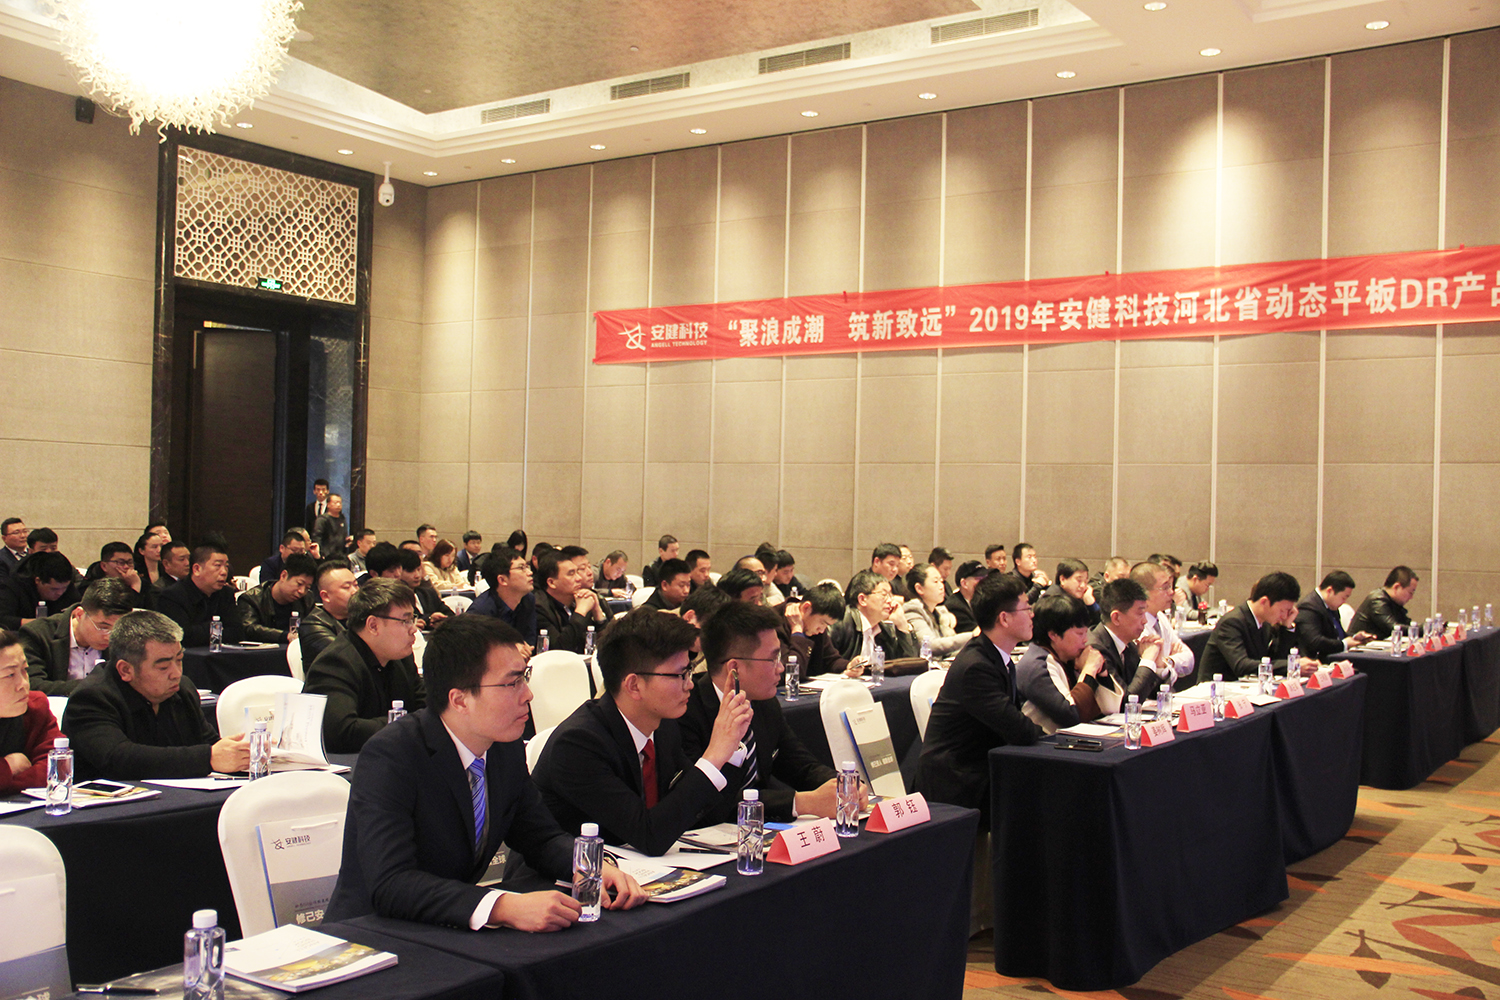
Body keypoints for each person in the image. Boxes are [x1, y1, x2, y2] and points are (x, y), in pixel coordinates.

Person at [323, 615, 646, 928]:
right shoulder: (392, 755)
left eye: (525, 677)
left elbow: (540, 837)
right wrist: (501, 906)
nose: (528, 694)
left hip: (447, 925)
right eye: (512, 683)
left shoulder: (503, 746)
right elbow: (392, 883)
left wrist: (589, 866)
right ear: (459, 699)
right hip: (371, 931)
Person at [532, 608, 754, 855]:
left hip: (635, 864)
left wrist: (729, 750)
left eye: (689, 671)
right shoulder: (578, 744)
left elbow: (701, 815)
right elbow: (649, 836)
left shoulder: (663, 727)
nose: (690, 684)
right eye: (680, 675)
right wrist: (713, 756)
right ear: (634, 685)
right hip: (575, 872)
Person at [681, 600, 847, 823]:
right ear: (734, 668)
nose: (781, 668)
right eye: (773, 659)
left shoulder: (764, 703)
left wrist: (841, 785)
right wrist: (801, 803)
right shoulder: (686, 712)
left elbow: (799, 764)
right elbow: (704, 800)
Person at [62, 610, 250, 780]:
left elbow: (209, 744)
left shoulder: (182, 689)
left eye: (179, 660)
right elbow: (119, 759)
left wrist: (239, 755)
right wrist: (207, 758)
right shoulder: (91, 698)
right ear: (126, 670)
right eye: (163, 666)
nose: (176, 673)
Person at [920, 573, 1043, 822]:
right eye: (1027, 608)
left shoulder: (996, 657)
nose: (1032, 615)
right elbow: (1019, 730)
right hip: (956, 781)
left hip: (977, 768)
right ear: (1004, 618)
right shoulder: (976, 667)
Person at [303, 578, 426, 753]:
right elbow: (340, 732)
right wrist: (406, 723)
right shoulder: (336, 663)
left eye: (413, 619)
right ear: (373, 625)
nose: (414, 629)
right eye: (405, 621)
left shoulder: (400, 657)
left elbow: (426, 706)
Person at [1016, 594, 1113, 733]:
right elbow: (1071, 716)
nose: (1086, 640)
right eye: (1079, 634)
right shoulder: (1036, 665)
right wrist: (1089, 669)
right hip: (1044, 744)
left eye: (1086, 633)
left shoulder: (1069, 658)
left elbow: (1111, 710)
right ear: (1053, 635)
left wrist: (1102, 671)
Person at [21, 579, 135, 696]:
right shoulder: (37, 634)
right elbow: (33, 684)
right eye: (103, 627)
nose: (109, 637)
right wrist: (92, 686)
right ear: (79, 614)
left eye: (116, 629)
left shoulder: (126, 636)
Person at [1198, 571, 1308, 682]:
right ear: (1264, 602)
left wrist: (1286, 627)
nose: (1284, 616)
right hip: (1217, 687)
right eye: (1282, 610)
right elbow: (1241, 665)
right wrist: (1290, 665)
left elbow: (1273, 660)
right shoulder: (1232, 622)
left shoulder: (1265, 622)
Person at [0, 631, 65, 794]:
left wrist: (5, 780)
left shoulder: (36, 706)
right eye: (10, 674)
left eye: (24, 670)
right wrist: (9, 767)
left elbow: (57, 769)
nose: (23, 684)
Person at [157, 540, 242, 647]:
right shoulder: (172, 596)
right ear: (197, 569)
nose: (224, 572)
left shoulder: (226, 593)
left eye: (226, 566)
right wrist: (216, 627)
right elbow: (183, 637)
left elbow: (237, 633)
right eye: (217, 565)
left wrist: (202, 630)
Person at [1086, 577, 1159, 700]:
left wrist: (1158, 664)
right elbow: (1126, 702)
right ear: (1116, 618)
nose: (1145, 621)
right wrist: (1148, 660)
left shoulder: (1128, 645)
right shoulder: (1096, 649)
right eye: (1140, 614)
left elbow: (1154, 694)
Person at [829, 570, 917, 664]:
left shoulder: (885, 630)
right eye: (884, 595)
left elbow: (907, 665)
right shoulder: (840, 623)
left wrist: (902, 626)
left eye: (890, 595)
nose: (890, 601)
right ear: (862, 599)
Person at [780, 582, 859, 678]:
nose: (822, 630)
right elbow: (790, 674)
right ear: (806, 608)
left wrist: (849, 666)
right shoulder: (775, 622)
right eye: (822, 623)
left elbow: (831, 660)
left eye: (827, 625)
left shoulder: (815, 626)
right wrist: (797, 630)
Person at [533, 549, 606, 653]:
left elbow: (611, 647)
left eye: (577, 572)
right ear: (551, 582)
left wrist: (598, 613)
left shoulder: (582, 599)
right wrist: (580, 612)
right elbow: (559, 649)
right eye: (571, 574)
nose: (578, 578)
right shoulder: (538, 607)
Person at [237, 553, 318, 644]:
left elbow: (314, 626)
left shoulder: (307, 599)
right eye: (299, 584)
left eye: (307, 587)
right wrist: (285, 636)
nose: (302, 591)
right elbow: (249, 628)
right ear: (283, 575)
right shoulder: (252, 598)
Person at [368, 543, 451, 629]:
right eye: (392, 571)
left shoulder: (427, 593)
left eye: (419, 569)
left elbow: (450, 614)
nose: (397, 574)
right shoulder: (373, 597)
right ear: (374, 574)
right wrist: (429, 619)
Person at [1296, 570, 1375, 660]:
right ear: (1330, 591)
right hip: (1316, 661)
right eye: (1343, 597)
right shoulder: (1308, 607)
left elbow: (1336, 635)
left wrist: (1354, 637)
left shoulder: (1331, 606)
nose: (1344, 602)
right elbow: (1315, 641)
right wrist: (1344, 644)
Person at [903, 562, 974, 660]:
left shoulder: (941, 612)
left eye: (941, 581)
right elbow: (930, 645)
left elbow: (951, 651)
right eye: (936, 582)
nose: (941, 586)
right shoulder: (912, 611)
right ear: (919, 588)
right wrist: (972, 635)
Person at [468, 551, 538, 646]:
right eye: (521, 568)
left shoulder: (528, 599)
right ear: (502, 580)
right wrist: (511, 649)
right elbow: (474, 649)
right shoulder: (480, 611)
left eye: (527, 566)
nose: (530, 572)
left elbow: (530, 639)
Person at [0, 551, 81, 630]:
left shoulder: (67, 586)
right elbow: (3, 618)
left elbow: (78, 607)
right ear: (38, 581)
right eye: (54, 589)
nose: (60, 593)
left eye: (64, 588)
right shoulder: (13, 587)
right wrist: (42, 624)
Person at [300, 559, 359, 663]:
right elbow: (347, 656)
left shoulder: (361, 617)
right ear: (325, 596)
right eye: (346, 587)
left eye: (356, 585)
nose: (355, 591)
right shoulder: (312, 626)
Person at [1348, 566, 1420, 641]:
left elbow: (1406, 624)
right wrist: (1421, 629)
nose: (1411, 597)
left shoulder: (1394, 603)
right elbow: (1394, 628)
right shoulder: (1377, 600)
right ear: (1396, 587)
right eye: (1410, 592)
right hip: (1358, 646)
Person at [79, 542, 152, 609]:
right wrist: (135, 587)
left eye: (130, 562)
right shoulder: (92, 588)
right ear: (104, 566)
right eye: (121, 562)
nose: (126, 566)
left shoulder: (142, 583)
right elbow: (120, 612)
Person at [1043, 558, 1102, 627]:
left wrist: (1091, 603)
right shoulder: (1052, 601)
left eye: (1085, 581)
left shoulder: (1076, 598)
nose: (1083, 586)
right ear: (1063, 580)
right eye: (1079, 580)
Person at [944, 560, 987, 633]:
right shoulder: (954, 607)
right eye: (979, 579)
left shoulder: (982, 600)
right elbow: (976, 634)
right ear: (964, 583)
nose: (984, 582)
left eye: (985, 578)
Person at [312, 493, 348, 559]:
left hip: (341, 555)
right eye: (335, 503)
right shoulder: (322, 519)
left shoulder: (342, 518)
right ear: (328, 505)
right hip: (327, 555)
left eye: (340, 503)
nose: (338, 505)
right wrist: (321, 553)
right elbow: (317, 537)